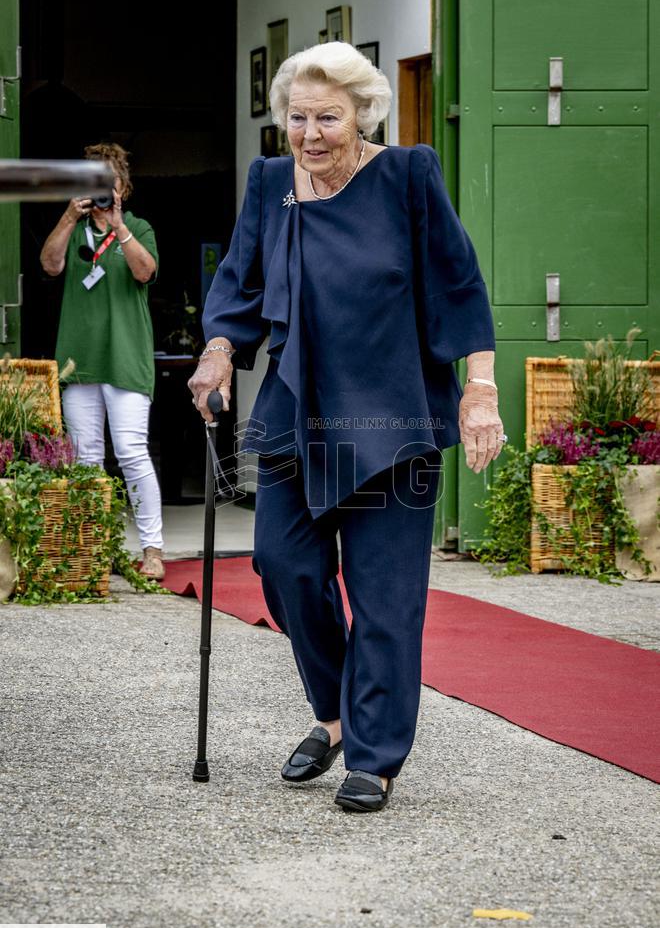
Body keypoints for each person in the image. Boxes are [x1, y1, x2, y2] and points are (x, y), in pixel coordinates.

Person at [188, 42, 505, 812]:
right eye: (297, 117)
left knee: (386, 594)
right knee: (281, 563)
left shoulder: (407, 175)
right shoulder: (270, 185)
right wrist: (221, 350)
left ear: (363, 115)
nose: (310, 133)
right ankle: (331, 716)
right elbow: (240, 279)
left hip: (392, 412)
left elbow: (458, 284)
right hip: (298, 412)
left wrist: (481, 390)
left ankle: (375, 755)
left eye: (328, 117)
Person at [40, 142, 165, 580]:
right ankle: (95, 547)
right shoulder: (73, 229)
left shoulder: (138, 227)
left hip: (125, 359)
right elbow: (50, 265)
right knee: (86, 458)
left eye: (106, 180)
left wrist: (120, 229)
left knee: (131, 453)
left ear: (122, 186)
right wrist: (69, 215)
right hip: (81, 362)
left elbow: (145, 271)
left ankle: (152, 551)